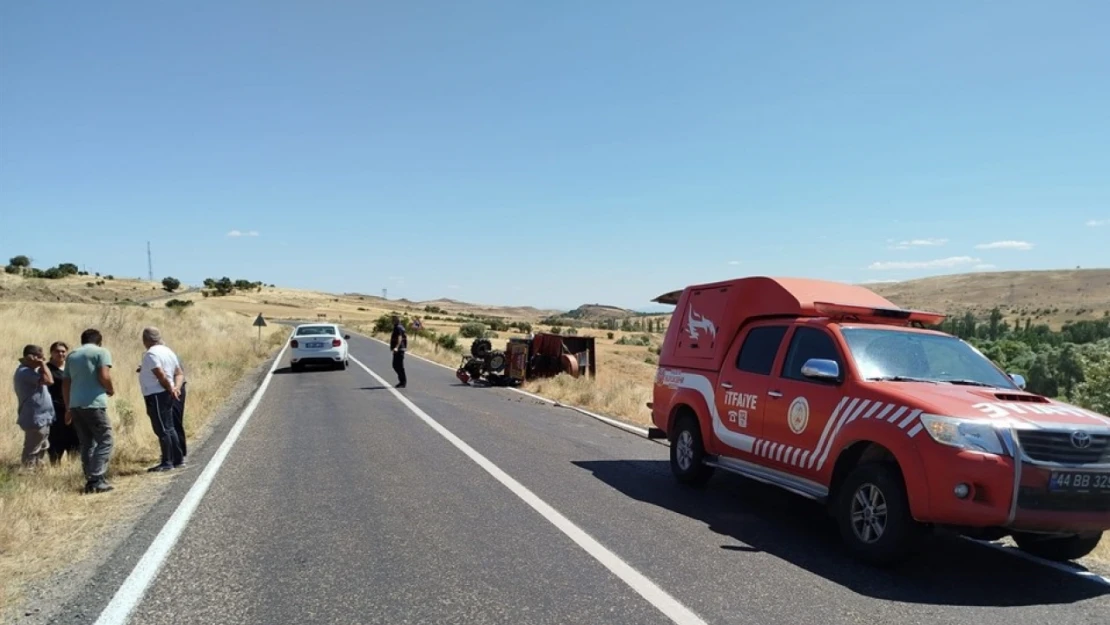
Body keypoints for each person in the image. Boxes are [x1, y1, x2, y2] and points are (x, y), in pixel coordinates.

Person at [63, 328, 115, 494]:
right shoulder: (101, 352)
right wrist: (110, 389)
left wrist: (68, 406)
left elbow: (66, 383)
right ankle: (96, 476)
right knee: (106, 439)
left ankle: (90, 478)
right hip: (94, 403)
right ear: (99, 341)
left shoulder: (72, 355)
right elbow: (104, 375)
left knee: (87, 443)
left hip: (76, 404)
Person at [138, 327, 184, 471]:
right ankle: (178, 459)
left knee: (162, 428)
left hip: (156, 394)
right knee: (170, 427)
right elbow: (179, 373)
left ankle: (167, 461)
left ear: (146, 340)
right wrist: (176, 387)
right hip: (166, 393)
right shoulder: (168, 351)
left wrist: (171, 388)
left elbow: (160, 374)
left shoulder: (151, 354)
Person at [13, 344, 55, 467]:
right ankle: (27, 473)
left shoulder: (32, 371)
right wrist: (42, 365)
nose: (42, 360)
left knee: (42, 445)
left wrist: (41, 365)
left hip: (43, 416)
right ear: (31, 357)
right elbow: (49, 381)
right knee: (32, 448)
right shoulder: (25, 372)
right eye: (40, 358)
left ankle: (37, 471)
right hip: (34, 416)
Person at [45, 341, 80, 463]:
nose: (60, 353)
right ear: (51, 353)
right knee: (56, 439)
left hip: (73, 407)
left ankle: (73, 466)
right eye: (57, 351)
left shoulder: (71, 367)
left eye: (63, 351)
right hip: (55, 408)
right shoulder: (47, 369)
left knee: (75, 438)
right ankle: (55, 466)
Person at [390, 315, 407, 388]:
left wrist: (396, 347)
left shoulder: (398, 327)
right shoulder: (399, 327)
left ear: (397, 320)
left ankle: (403, 382)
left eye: (393, 319)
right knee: (396, 365)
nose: (392, 321)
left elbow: (399, 338)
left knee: (398, 366)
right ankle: (402, 381)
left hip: (399, 349)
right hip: (399, 349)